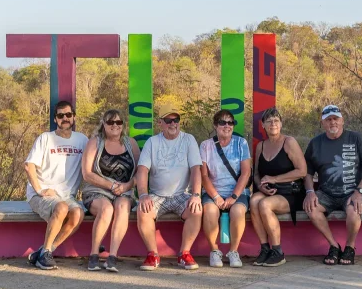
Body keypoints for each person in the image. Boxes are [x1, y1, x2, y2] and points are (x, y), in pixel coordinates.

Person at [304, 104, 362, 266]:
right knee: (312, 209)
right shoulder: (315, 143)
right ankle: (333, 245)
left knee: (353, 211)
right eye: (328, 119)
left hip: (353, 192)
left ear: (342, 120)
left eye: (336, 119)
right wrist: (310, 192)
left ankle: (350, 247)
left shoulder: (355, 138)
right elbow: (307, 173)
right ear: (322, 123)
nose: (333, 123)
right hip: (327, 193)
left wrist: (359, 192)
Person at [135, 109, 203, 270]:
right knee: (143, 209)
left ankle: (184, 254)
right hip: (157, 194)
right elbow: (142, 170)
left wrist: (196, 194)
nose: (173, 124)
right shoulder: (152, 142)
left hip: (181, 194)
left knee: (196, 209)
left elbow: (196, 169)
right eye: (168, 120)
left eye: (176, 120)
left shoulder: (189, 139)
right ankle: (153, 255)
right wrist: (143, 195)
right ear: (161, 124)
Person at [24, 101, 88, 270]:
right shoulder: (45, 138)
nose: (65, 118)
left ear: (73, 117)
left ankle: (45, 251)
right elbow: (28, 166)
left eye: (68, 115)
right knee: (61, 208)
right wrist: (39, 190)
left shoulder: (82, 140)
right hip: (41, 194)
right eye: (60, 116)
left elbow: (92, 164)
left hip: (67, 196)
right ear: (55, 119)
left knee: (78, 214)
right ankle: (45, 253)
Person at [79, 109, 141, 272]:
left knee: (122, 207)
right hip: (97, 189)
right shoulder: (95, 142)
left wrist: (127, 186)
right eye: (111, 122)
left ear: (123, 125)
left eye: (118, 122)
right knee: (106, 209)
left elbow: (140, 172)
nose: (115, 125)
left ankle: (112, 256)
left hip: (124, 191)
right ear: (104, 124)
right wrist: (110, 186)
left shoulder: (131, 143)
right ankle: (93, 255)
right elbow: (87, 174)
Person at [249, 107, 309, 267]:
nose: (273, 123)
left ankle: (277, 251)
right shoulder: (260, 146)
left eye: (276, 120)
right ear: (263, 125)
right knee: (254, 200)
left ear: (281, 123)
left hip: (291, 191)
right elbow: (256, 174)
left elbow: (302, 171)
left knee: (264, 204)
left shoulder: (289, 142)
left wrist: (274, 179)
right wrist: (260, 187)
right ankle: (265, 248)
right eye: (269, 121)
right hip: (269, 191)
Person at [200, 109, 252, 268]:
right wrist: (216, 197)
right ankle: (214, 251)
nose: (227, 126)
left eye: (230, 122)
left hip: (237, 191)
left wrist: (233, 197)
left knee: (237, 211)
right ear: (215, 125)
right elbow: (204, 176)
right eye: (222, 122)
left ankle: (233, 251)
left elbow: (246, 172)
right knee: (210, 211)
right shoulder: (206, 146)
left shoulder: (241, 143)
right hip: (213, 191)